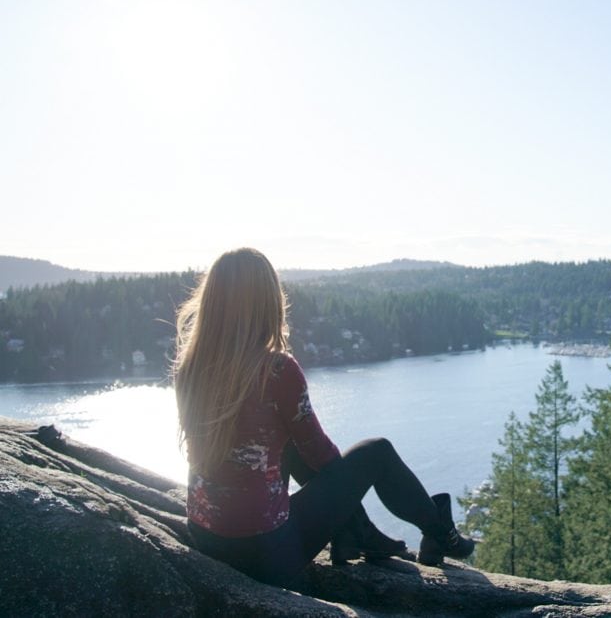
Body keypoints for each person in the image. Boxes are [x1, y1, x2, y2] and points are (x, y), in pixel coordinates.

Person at [173, 247, 474, 587]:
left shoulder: (190, 367)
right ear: (267, 302)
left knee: (284, 445)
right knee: (377, 452)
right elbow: (320, 454)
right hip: (265, 555)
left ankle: (357, 535)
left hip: (206, 537)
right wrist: (346, 496)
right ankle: (441, 534)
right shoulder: (277, 369)